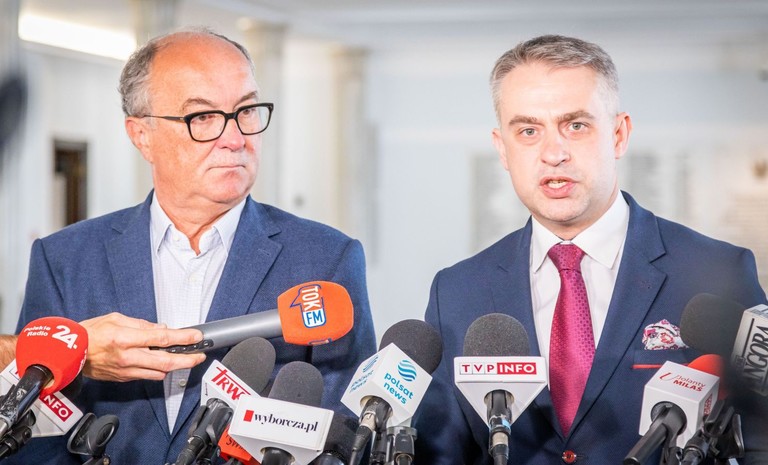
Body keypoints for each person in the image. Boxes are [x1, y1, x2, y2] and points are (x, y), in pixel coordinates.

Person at [10, 28, 376, 464]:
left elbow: (345, 435)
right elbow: (32, 431)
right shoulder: (63, 260)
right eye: (202, 117)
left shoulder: (327, 259)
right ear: (141, 135)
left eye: (246, 111)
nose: (235, 138)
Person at [414, 35, 767, 464]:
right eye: (528, 131)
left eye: (575, 125)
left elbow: (760, 441)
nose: (553, 153)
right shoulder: (456, 292)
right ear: (502, 149)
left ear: (619, 135)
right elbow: (440, 452)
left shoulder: (719, 272)